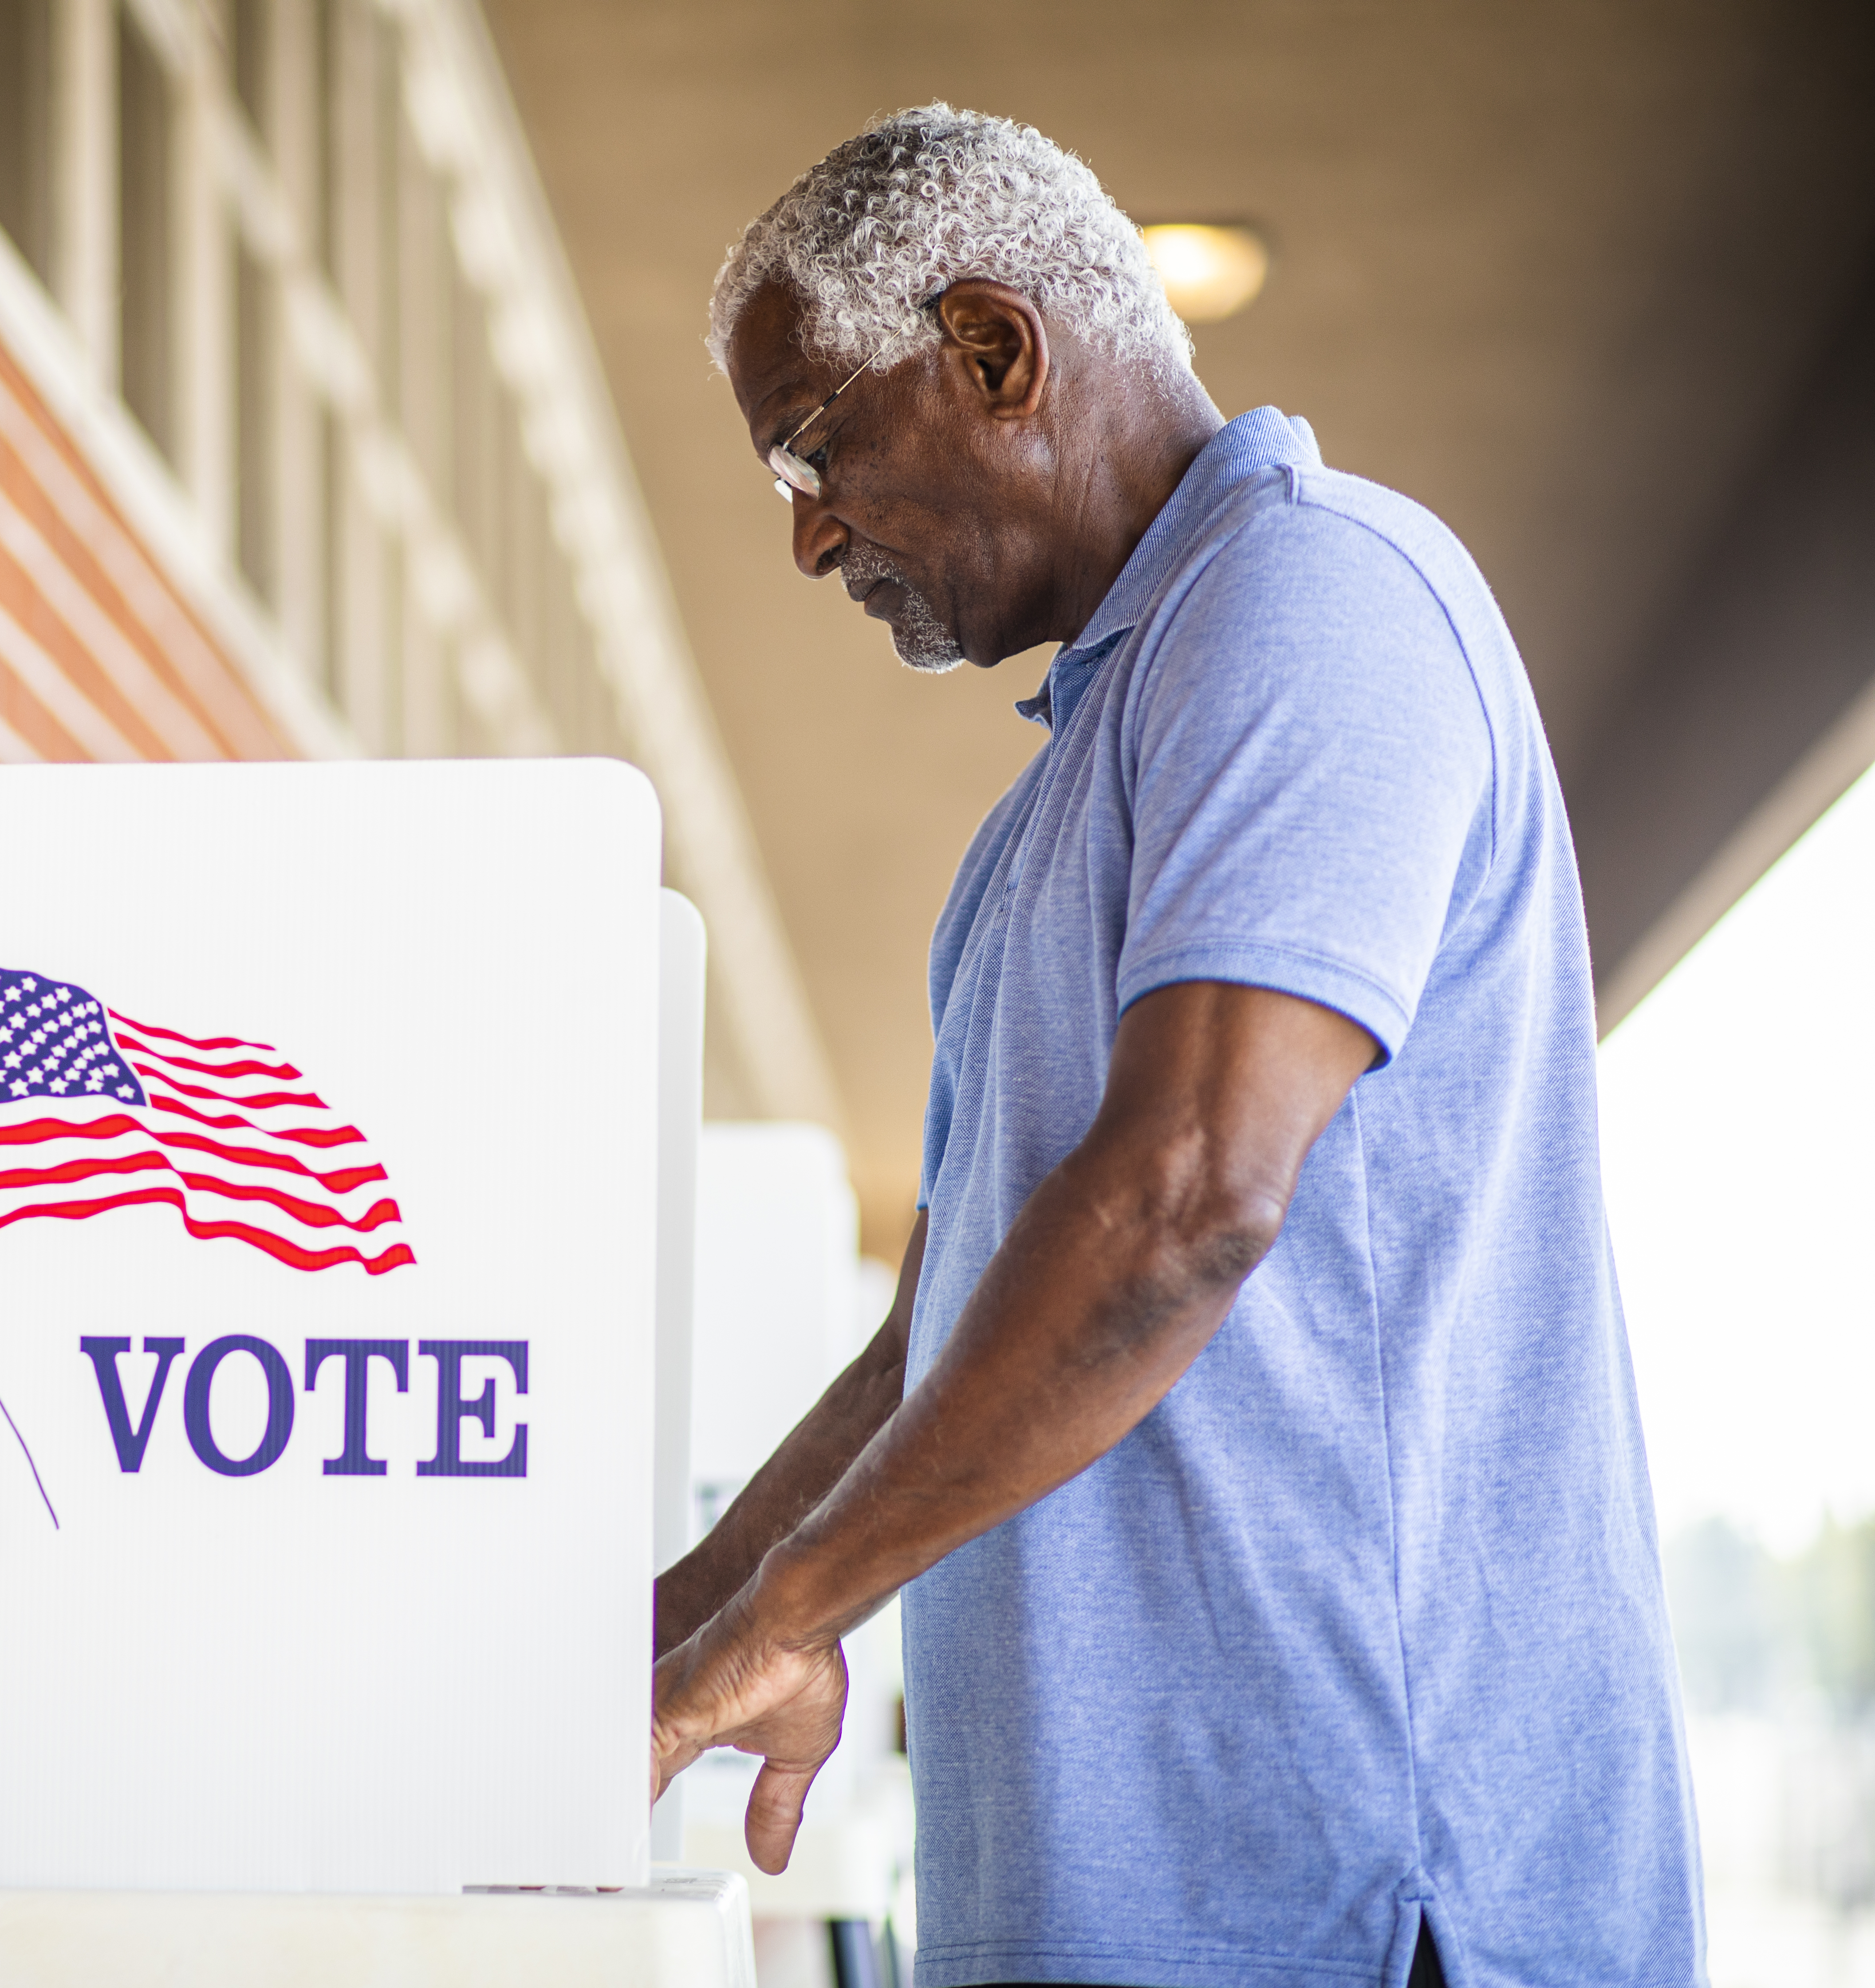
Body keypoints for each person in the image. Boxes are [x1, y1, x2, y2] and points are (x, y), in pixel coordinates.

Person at [650, 105, 1706, 1988]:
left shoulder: (1318, 600)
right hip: (1106, 1909)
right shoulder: (1032, 833)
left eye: (816, 449)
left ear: (990, 350)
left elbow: (1191, 1200)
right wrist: (676, 1632)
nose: (808, 536)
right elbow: (942, 1332)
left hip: (1354, 1906)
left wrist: (798, 1610)